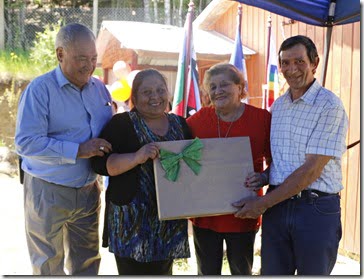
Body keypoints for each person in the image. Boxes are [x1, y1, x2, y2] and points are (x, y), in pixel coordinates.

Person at [234, 35, 348, 275]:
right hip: (277, 206)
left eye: (299, 61)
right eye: (285, 63)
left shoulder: (329, 106)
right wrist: (264, 177)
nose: (291, 69)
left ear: (314, 63)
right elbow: (283, 160)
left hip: (314, 208)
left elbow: (311, 170)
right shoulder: (279, 106)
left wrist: (261, 203)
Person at [14, 23, 113, 275]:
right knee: (48, 266)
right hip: (47, 192)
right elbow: (26, 142)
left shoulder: (99, 88)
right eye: (81, 58)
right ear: (60, 54)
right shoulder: (40, 90)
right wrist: (78, 150)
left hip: (89, 191)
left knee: (88, 263)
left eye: (93, 58)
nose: (89, 65)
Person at [91, 69, 191, 275]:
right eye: (147, 92)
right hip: (131, 223)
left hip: (168, 221)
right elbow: (100, 164)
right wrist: (137, 157)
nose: (155, 96)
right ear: (134, 97)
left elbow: (193, 164)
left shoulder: (180, 124)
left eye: (160, 90)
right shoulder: (121, 124)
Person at [186, 63, 272, 275]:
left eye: (224, 84)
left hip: (243, 212)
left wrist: (263, 177)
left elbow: (278, 162)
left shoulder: (262, 119)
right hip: (205, 214)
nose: (218, 91)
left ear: (240, 87)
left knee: (241, 270)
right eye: (212, 87)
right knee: (207, 272)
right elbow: (179, 154)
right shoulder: (196, 121)